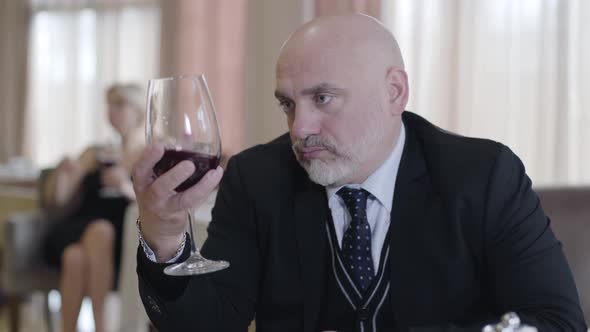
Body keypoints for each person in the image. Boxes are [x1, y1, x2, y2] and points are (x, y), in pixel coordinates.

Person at [132, 14, 587, 332]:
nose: (299, 128)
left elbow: (557, 322)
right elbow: (209, 324)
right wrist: (166, 241)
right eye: (288, 104)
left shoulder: (484, 177)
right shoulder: (257, 179)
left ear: (394, 91)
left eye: (323, 98)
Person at [43, 83, 144, 332]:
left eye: (120, 104)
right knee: (97, 231)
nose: (112, 110)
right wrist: (63, 175)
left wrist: (124, 187)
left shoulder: (147, 154)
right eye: (110, 104)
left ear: (138, 110)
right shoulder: (95, 152)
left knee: (75, 258)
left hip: (124, 238)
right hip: (80, 225)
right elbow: (58, 201)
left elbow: (157, 204)